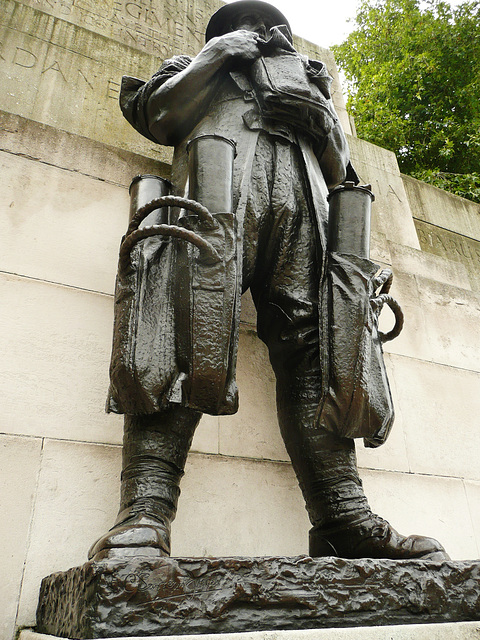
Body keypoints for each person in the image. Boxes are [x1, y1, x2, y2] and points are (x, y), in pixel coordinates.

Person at [89, 0, 448, 561]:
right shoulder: (195, 63)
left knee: (322, 348)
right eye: (250, 24)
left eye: (271, 24)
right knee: (179, 328)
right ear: (226, 32)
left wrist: (325, 118)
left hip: (305, 205)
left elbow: (339, 168)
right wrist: (213, 57)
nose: (266, 31)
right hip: (218, 189)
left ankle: (342, 515)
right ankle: (145, 512)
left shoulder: (310, 81)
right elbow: (158, 117)